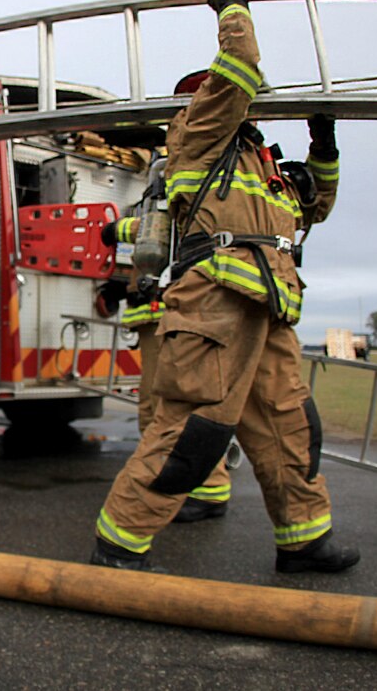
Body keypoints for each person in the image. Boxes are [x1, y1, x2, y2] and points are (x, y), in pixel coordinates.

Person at [90, 0, 359, 574]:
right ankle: (119, 547)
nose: (219, 98)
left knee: (290, 426)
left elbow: (314, 208)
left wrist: (324, 147)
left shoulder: (266, 168)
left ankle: (304, 540)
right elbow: (237, 70)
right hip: (215, 300)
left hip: (270, 306)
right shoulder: (198, 137)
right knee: (192, 429)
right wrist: (233, 11)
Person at [101, 209, 233, 523]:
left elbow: (163, 228)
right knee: (158, 407)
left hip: (168, 315)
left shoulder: (184, 197)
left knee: (170, 408)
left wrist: (116, 229)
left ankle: (203, 487)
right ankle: (175, 482)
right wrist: (121, 288)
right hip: (158, 315)